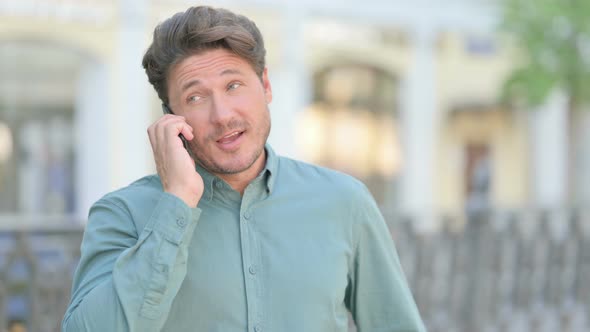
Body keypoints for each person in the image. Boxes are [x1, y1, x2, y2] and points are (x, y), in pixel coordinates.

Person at [62, 5, 425, 332]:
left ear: (265, 85)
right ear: (171, 118)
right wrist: (177, 203)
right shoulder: (122, 214)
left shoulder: (345, 202)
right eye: (195, 97)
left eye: (233, 85)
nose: (223, 116)